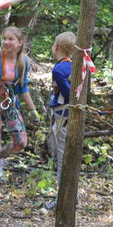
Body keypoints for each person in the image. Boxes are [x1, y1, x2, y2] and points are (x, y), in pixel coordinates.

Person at [0, 26, 40, 196]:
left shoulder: (23, 62)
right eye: (4, 38)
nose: (6, 42)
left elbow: (23, 88)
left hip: (11, 106)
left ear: (20, 43)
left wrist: (33, 111)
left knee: (21, 142)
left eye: (11, 39)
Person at [46, 31, 76, 210]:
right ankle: (70, 196)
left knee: (62, 158)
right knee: (65, 155)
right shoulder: (75, 66)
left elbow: (69, 94)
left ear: (57, 47)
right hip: (66, 115)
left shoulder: (59, 69)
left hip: (63, 115)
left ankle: (64, 199)